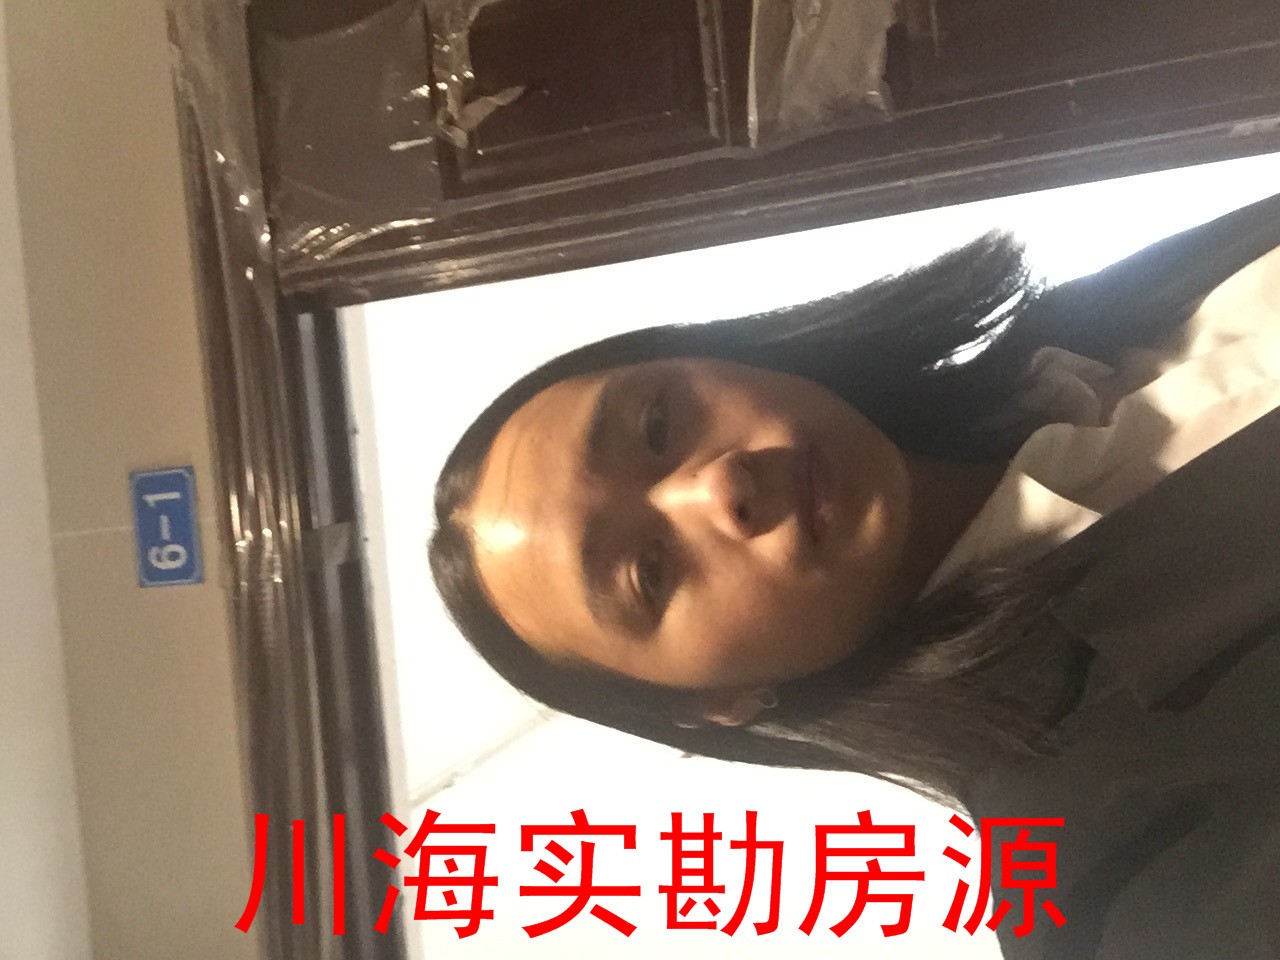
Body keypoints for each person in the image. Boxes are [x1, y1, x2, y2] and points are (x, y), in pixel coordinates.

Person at [429, 189, 1280, 958]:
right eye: (649, 573)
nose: (718, 486)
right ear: (718, 702)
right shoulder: (1121, 882)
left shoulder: (1083, 328)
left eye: (657, 424)